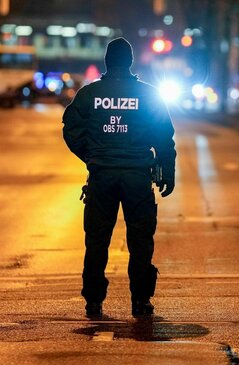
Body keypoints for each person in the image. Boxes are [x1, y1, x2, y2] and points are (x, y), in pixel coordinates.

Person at [62, 37, 176, 318]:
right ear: (131, 62)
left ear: (106, 62)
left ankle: (93, 301)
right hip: (137, 176)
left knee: (97, 239)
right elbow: (164, 136)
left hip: (102, 176)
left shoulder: (90, 94)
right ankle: (140, 300)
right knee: (140, 240)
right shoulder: (148, 95)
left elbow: (71, 128)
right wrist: (167, 172)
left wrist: (92, 155)